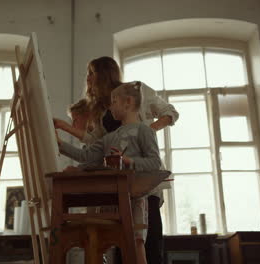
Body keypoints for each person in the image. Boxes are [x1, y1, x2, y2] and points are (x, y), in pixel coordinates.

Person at [54, 56, 179, 264]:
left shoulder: (136, 92)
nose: (87, 78)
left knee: (148, 244)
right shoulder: (103, 114)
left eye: (91, 73)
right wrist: (62, 140)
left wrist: (145, 131)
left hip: (145, 186)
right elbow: (93, 147)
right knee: (124, 245)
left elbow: (170, 113)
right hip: (120, 189)